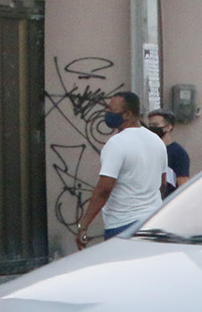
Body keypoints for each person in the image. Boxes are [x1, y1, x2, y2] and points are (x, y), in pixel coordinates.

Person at [74, 90, 167, 247]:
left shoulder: (116, 143)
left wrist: (83, 225)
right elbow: (162, 183)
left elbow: (104, 189)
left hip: (123, 225)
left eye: (111, 110)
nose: (107, 114)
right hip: (153, 222)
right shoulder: (156, 141)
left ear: (128, 114)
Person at [147, 109, 191, 198]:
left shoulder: (178, 153)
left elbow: (183, 183)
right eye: (150, 125)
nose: (152, 129)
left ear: (169, 127)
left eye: (155, 125)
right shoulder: (148, 149)